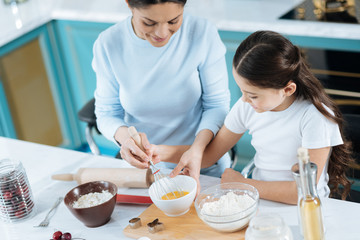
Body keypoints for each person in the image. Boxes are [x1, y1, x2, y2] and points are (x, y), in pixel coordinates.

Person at [172, 30, 354, 204]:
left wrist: (243, 184)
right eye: (242, 91)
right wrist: (156, 152)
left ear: (288, 89)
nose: (243, 100)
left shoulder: (314, 118)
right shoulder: (248, 106)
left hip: (306, 208)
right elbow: (210, 155)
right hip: (260, 200)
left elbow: (303, 191)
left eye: (252, 95)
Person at [92, 0, 231, 186]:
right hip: (145, 171)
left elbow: (217, 106)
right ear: (128, 4)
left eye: (173, 21)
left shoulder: (201, 33)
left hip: (202, 164)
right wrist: (125, 139)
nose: (162, 33)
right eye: (149, 23)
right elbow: (106, 114)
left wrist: (196, 151)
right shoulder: (108, 44)